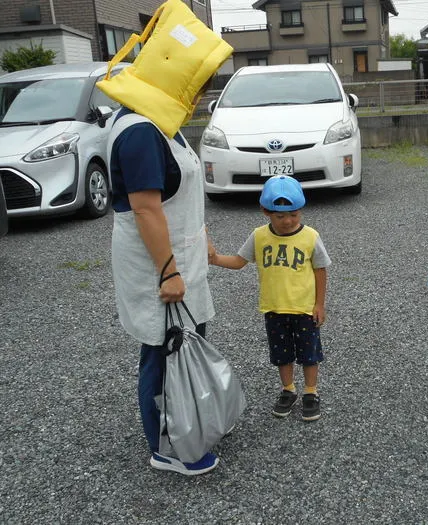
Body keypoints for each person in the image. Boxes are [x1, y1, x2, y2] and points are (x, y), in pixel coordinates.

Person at [99, 0, 233, 475]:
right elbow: (145, 207)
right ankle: (167, 446)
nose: (197, 93)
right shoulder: (139, 130)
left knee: (187, 342)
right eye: (195, 83)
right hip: (159, 264)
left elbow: (178, 196)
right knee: (162, 348)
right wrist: (169, 270)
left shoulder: (159, 121)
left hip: (181, 256)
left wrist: (202, 242)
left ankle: (194, 414)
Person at [208, 175, 331, 422]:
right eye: (280, 216)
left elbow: (321, 270)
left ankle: (311, 391)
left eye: (294, 215)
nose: (288, 221)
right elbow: (239, 261)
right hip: (273, 308)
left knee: (309, 354)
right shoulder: (259, 236)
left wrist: (319, 304)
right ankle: (288, 389)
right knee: (281, 354)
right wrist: (215, 258)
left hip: (304, 309)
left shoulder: (310, 237)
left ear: (301, 210)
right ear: (265, 211)